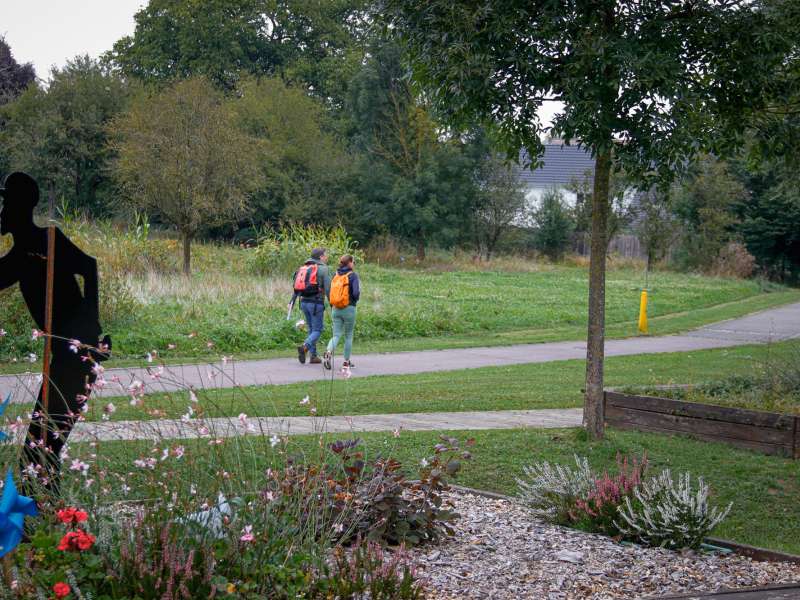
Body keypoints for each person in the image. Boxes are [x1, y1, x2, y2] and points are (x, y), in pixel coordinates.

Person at [0, 172, 109, 495]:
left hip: (76, 357)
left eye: (6, 205)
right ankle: (49, 523)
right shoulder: (21, 256)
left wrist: (90, 326)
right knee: (40, 453)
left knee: (40, 452)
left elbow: (88, 267)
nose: (2, 213)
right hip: (63, 357)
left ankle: (49, 526)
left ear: (20, 208)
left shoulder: (48, 239)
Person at [291, 247, 331, 364]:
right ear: (320, 257)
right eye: (325, 255)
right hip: (316, 303)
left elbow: (296, 285)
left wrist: (292, 301)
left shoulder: (303, 268)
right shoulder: (323, 269)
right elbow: (328, 288)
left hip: (303, 302)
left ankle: (313, 356)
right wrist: (332, 304)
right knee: (318, 329)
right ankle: (304, 347)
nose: (326, 257)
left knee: (311, 329)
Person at [323, 254, 360, 370]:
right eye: (353, 262)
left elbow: (329, 291)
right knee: (348, 336)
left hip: (336, 309)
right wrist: (355, 299)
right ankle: (346, 362)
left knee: (336, 335)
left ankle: (328, 352)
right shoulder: (353, 276)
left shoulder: (336, 275)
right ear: (349, 263)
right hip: (349, 309)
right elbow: (355, 293)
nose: (353, 264)